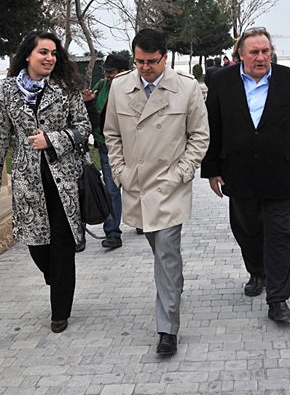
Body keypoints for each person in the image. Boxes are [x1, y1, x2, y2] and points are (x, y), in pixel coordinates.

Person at [0, 31, 91, 334]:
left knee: (62, 244)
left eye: (54, 53)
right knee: (38, 246)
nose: (49, 58)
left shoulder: (67, 88)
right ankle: (56, 276)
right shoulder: (7, 90)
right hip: (28, 182)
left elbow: (84, 128)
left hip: (64, 179)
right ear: (27, 55)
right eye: (43, 52)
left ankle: (60, 312)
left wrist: (52, 139)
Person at [103, 28, 209, 355]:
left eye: (151, 61)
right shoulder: (120, 87)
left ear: (165, 57)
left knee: (165, 251)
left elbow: (200, 137)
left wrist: (182, 173)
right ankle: (173, 288)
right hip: (136, 185)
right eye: (139, 62)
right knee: (163, 255)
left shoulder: (187, 88)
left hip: (170, 185)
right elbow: (111, 135)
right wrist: (121, 173)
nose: (144, 68)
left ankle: (167, 330)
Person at [201, 27, 290, 322]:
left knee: (280, 236)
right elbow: (212, 126)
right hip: (237, 173)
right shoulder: (222, 81)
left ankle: (278, 299)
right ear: (240, 54)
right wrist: (211, 169)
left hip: (281, 173)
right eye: (254, 52)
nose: (261, 57)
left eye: (266, 51)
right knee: (247, 230)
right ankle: (257, 271)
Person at [81, 53, 129, 249]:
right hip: (106, 146)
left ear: (123, 72)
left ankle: (142, 221)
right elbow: (91, 114)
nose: (107, 75)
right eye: (106, 72)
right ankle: (113, 233)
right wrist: (88, 101)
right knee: (111, 190)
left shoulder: (134, 88)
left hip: (133, 146)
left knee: (136, 186)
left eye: (111, 72)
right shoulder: (101, 86)